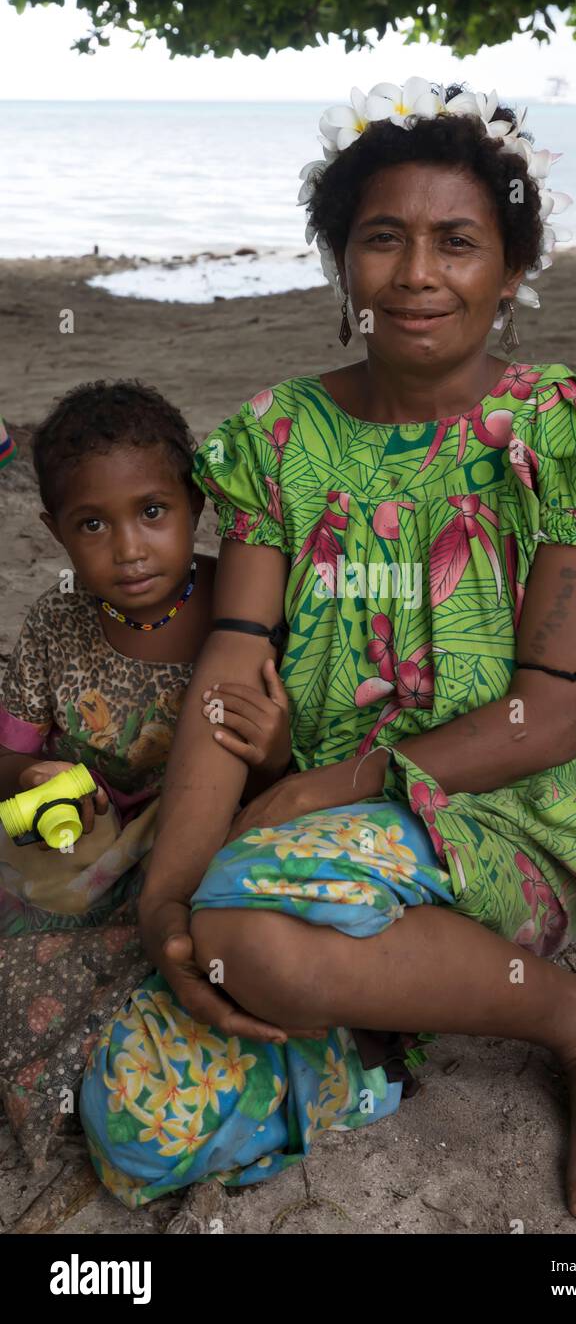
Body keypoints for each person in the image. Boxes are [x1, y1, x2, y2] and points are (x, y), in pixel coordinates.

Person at [80, 79, 576, 1222]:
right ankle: (368, 1054)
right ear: (339, 264)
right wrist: (160, 904)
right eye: (381, 240)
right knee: (137, 1121)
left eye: (457, 242)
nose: (415, 274)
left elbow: (550, 709)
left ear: (509, 273)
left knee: (246, 924)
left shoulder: (558, 427)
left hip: (511, 805)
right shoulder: (276, 438)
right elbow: (231, 663)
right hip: (327, 829)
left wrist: (320, 786)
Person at [0, 378, 291, 1168]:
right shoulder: (56, 626)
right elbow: (7, 756)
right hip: (79, 850)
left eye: (152, 513)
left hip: (194, 851)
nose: (128, 549)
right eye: (92, 524)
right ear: (53, 530)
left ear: (197, 505)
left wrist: (272, 751)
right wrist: (31, 773)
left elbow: (284, 779)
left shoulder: (244, 613)